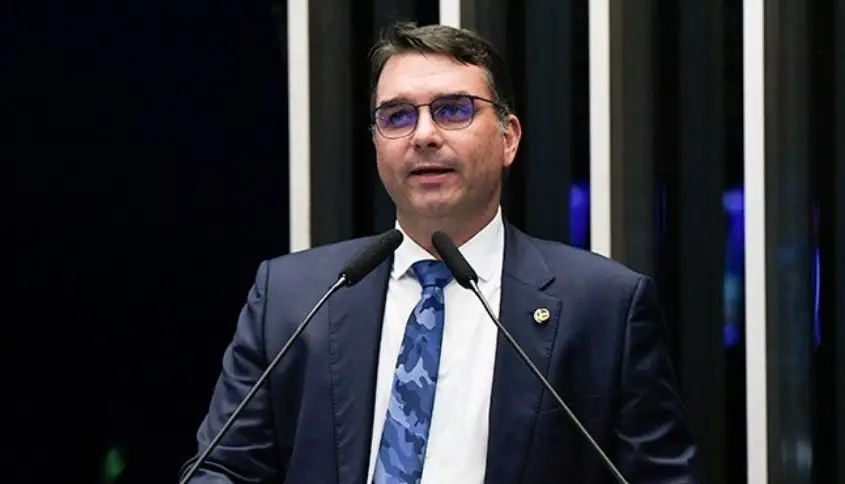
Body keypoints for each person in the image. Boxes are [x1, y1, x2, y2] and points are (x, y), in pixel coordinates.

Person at [182, 22, 700, 484]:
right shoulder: (293, 297)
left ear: (509, 138)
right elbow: (224, 468)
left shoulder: (604, 306)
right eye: (397, 116)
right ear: (377, 143)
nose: (424, 135)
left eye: (453, 110)